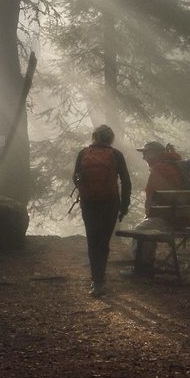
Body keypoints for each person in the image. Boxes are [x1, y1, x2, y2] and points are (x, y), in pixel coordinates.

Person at [73, 125, 132, 297]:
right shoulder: (116, 155)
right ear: (110, 138)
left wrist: (84, 187)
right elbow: (126, 182)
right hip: (110, 203)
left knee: (92, 240)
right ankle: (101, 277)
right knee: (103, 241)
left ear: (94, 137)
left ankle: (96, 280)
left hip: (89, 202)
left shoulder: (83, 153)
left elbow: (75, 177)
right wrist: (124, 205)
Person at [129, 140, 190, 275]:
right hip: (185, 218)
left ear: (155, 153)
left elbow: (154, 197)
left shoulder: (159, 169)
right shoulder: (178, 166)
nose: (144, 157)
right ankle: (147, 264)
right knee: (149, 225)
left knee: (140, 229)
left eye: (146, 153)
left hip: (171, 219)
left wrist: (149, 214)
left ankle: (142, 268)